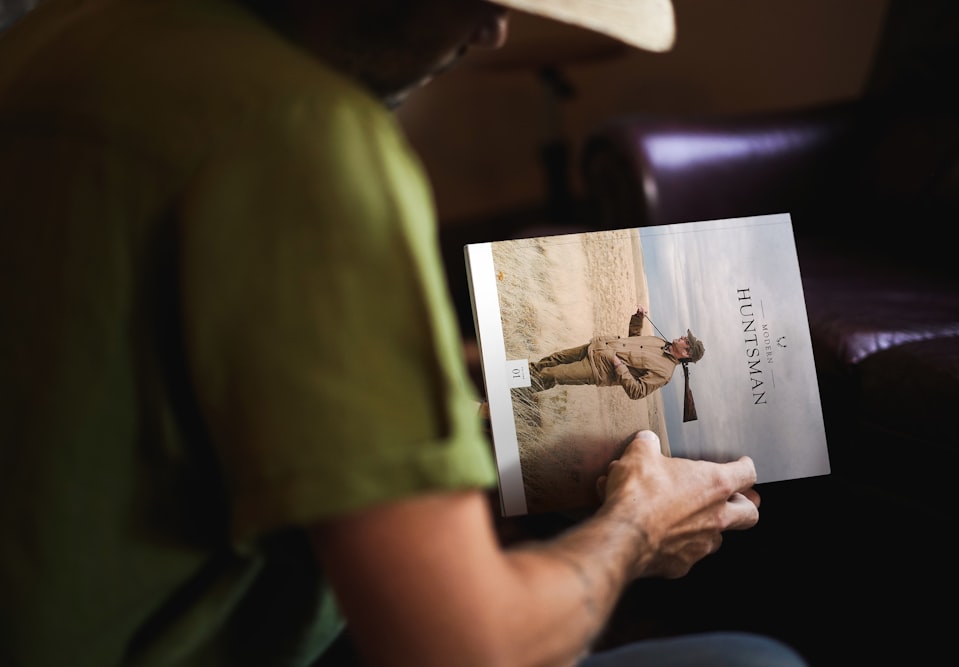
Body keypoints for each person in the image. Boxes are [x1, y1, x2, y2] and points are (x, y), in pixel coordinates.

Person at [0, 1, 810, 666]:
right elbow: (467, 647)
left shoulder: (62, 31)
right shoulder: (307, 134)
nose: (492, 30)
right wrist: (638, 527)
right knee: (757, 663)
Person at [529, 305, 704, 400]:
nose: (682, 337)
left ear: (687, 354)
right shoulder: (659, 341)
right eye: (685, 336)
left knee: (552, 374)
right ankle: (521, 376)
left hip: (598, 369)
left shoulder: (665, 373)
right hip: (597, 347)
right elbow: (633, 338)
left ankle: (520, 394)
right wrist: (638, 318)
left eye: (686, 341)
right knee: (554, 359)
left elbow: (637, 392)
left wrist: (619, 366)